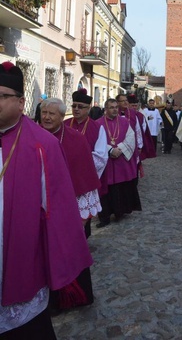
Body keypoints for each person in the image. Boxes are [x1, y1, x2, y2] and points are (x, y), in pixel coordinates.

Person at [0, 62, 92, 339]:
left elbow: (59, 211)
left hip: (20, 257)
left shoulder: (42, 144)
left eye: (2, 96)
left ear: (19, 101)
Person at [40, 97, 101, 310]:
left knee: (71, 252)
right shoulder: (32, 137)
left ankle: (74, 296)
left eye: (52, 114)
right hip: (40, 209)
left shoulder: (75, 139)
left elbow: (84, 177)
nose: (46, 117)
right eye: (43, 113)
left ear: (61, 116)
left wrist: (84, 215)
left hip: (70, 209)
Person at [64, 88, 109, 236]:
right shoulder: (64, 124)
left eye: (80, 106)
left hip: (84, 179)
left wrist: (79, 165)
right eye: (74, 106)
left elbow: (101, 157)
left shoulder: (97, 128)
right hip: (63, 177)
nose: (76, 109)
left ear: (88, 108)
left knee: (83, 219)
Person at [96, 98, 142, 227]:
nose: (115, 109)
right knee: (106, 188)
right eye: (111, 107)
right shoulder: (97, 123)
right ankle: (104, 216)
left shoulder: (124, 122)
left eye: (116, 107)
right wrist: (110, 149)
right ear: (105, 109)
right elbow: (94, 141)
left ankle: (119, 212)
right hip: (106, 162)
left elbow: (131, 138)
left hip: (121, 161)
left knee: (120, 188)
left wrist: (119, 149)